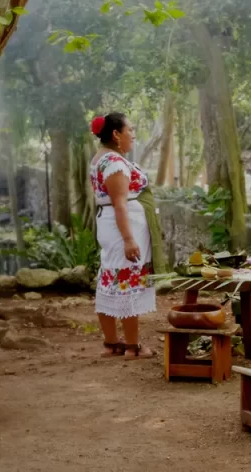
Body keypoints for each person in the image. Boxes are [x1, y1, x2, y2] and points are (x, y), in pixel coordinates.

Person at [89, 113, 163, 359]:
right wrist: (129, 239)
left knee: (110, 276)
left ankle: (111, 343)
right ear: (116, 134)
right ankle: (133, 346)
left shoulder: (101, 158)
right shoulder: (114, 163)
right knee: (127, 280)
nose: (133, 134)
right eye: (129, 129)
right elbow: (120, 203)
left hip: (112, 226)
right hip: (122, 228)